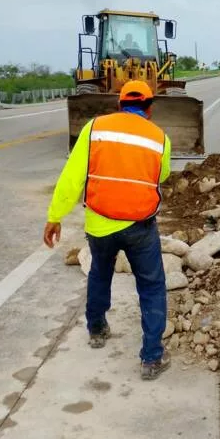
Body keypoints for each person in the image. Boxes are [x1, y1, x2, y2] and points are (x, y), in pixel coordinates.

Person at [44, 80, 172, 380]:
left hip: (100, 223)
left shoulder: (94, 129)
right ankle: (152, 358)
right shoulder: (160, 138)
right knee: (152, 286)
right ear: (149, 109)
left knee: (100, 273)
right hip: (140, 226)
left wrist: (55, 216)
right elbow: (162, 174)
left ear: (119, 104)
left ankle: (97, 329)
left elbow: (72, 177)